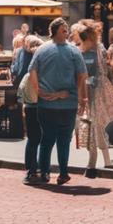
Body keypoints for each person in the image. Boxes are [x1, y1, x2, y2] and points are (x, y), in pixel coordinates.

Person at [28, 18, 88, 185]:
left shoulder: (42, 49)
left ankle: (46, 172)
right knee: (62, 140)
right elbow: (82, 75)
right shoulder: (73, 51)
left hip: (48, 103)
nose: (67, 30)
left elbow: (32, 71)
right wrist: (75, 94)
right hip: (66, 103)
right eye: (64, 28)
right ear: (55, 31)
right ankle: (61, 172)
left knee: (47, 139)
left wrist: (38, 90)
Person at [77, 22, 113, 179]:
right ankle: (105, 160)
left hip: (96, 92)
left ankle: (92, 163)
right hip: (86, 91)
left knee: (94, 126)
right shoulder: (83, 51)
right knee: (95, 126)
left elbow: (101, 73)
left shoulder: (98, 51)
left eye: (83, 41)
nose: (82, 44)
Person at [17, 35, 43, 183]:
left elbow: (20, 93)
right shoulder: (36, 72)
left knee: (34, 139)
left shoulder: (29, 73)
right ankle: (34, 168)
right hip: (38, 105)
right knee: (37, 139)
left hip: (32, 106)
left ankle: (33, 168)